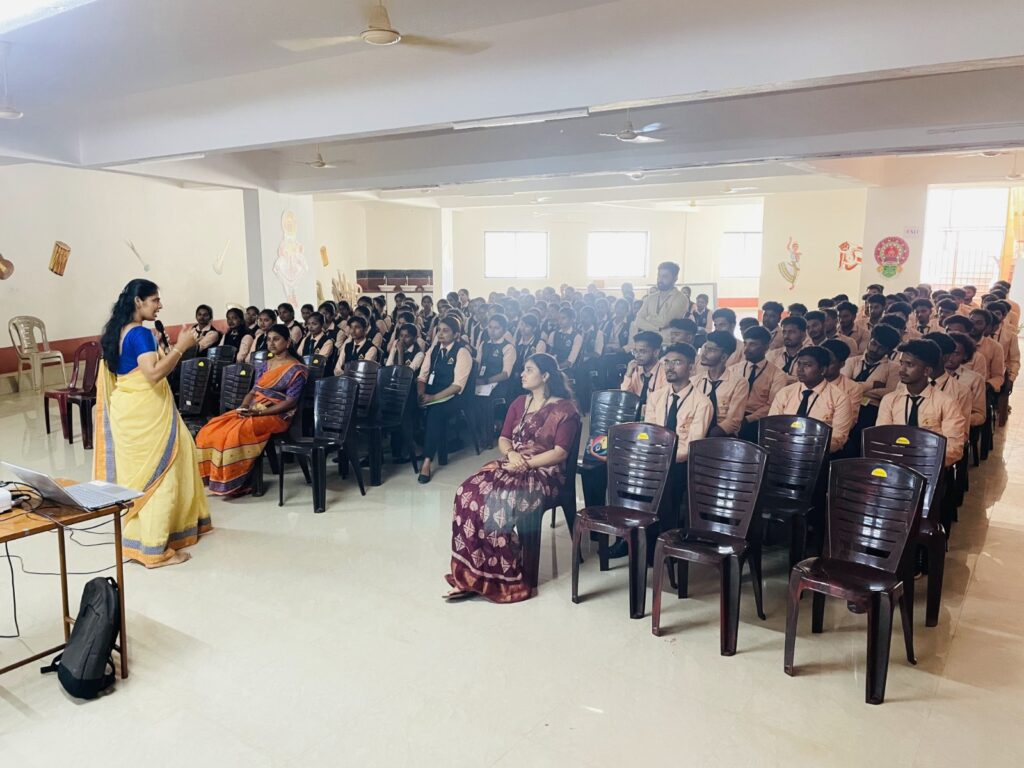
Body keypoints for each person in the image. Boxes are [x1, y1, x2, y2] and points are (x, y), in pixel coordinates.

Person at [444, 353, 580, 603]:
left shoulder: (564, 409)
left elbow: (560, 453)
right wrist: (512, 454)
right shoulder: (519, 402)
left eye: (529, 370)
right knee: (467, 493)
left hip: (545, 474)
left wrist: (525, 463)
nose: (522, 374)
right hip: (512, 463)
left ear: (545, 375)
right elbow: (504, 438)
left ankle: (503, 576)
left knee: (499, 502)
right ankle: (472, 575)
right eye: (523, 369)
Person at [94, 279, 210, 568]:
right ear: (139, 301)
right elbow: (154, 374)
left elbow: (131, 369)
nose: (160, 305)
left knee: (142, 475)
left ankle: (140, 538)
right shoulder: (140, 334)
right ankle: (155, 550)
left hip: (127, 409)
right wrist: (181, 347)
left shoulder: (118, 331)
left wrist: (162, 347)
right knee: (161, 475)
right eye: (155, 300)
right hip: (147, 412)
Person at [195, 326, 308, 496]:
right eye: (268, 339)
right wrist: (244, 407)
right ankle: (215, 478)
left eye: (276, 339)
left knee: (236, 432)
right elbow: (253, 392)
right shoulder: (265, 365)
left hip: (277, 416)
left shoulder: (297, 369)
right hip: (254, 409)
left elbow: (290, 402)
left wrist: (259, 413)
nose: (271, 343)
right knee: (212, 428)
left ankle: (239, 481)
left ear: (288, 342)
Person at [645, 343, 714, 531]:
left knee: (667, 484)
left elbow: (691, 445)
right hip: (656, 458)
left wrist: (664, 461)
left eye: (677, 362)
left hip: (681, 463)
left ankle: (664, 537)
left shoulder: (702, 403)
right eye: (667, 362)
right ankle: (633, 535)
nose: (669, 367)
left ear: (691, 367)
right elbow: (650, 432)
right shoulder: (656, 396)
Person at [877, 339, 964, 467]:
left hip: (930, 466)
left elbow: (953, 448)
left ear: (927, 371)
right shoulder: (890, 400)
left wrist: (922, 461)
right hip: (895, 465)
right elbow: (881, 438)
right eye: (901, 363)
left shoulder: (946, 403)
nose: (902, 370)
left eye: (909, 365)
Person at [417, 315, 474, 484]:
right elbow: (422, 376)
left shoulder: (462, 352)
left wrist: (432, 398)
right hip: (432, 393)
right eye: (439, 330)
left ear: (456, 334)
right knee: (409, 406)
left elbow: (457, 386)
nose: (440, 334)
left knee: (435, 411)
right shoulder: (433, 350)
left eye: (446, 331)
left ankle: (427, 460)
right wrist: (421, 395)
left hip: (454, 396)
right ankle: (417, 447)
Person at [769, 346, 854, 455]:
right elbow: (772, 426)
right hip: (782, 450)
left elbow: (838, 438)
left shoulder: (840, 398)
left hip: (817, 454)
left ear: (823, 370)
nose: (800, 369)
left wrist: (807, 447)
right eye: (799, 364)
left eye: (807, 365)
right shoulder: (785, 392)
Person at [841, 323, 901, 433]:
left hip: (872, 410)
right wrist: (873, 385)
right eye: (873, 344)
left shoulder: (894, 368)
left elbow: (889, 393)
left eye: (881, 348)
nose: (874, 349)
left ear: (888, 351)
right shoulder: (852, 361)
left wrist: (855, 387)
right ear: (870, 340)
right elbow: (843, 387)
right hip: (847, 405)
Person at [732, 326, 788, 442]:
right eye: (745, 344)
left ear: (766, 347)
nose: (746, 349)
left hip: (756, 419)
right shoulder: (733, 370)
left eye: (752, 344)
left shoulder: (778, 375)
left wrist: (748, 419)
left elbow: (772, 405)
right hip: (733, 414)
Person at [474, 314, 517, 446]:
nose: (492, 331)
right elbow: (478, 364)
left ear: (504, 330)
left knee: (486, 400)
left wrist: (486, 381)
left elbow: (506, 374)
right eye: (490, 327)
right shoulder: (484, 344)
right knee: (470, 396)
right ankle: (478, 432)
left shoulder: (508, 347)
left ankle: (487, 437)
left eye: (496, 328)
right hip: (482, 381)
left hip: (500, 384)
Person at [695, 330, 746, 437]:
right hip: (697, 430)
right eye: (705, 348)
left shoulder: (739, 383)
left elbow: (733, 421)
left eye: (711, 350)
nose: (704, 353)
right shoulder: (695, 381)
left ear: (724, 357)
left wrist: (707, 437)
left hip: (722, 435)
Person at [633, 262, 690, 334]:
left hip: (667, 339)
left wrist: (648, 319)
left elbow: (665, 323)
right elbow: (638, 321)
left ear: (675, 278)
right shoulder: (651, 297)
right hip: (648, 339)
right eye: (659, 276)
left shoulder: (681, 299)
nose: (660, 280)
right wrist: (658, 329)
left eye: (665, 276)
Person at [620, 330, 666, 414]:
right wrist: (628, 375)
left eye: (642, 351)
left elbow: (664, 404)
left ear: (656, 352)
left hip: (656, 416)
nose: (637, 355)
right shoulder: (635, 369)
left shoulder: (665, 372)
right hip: (634, 415)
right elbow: (625, 398)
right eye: (635, 351)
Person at [766, 315, 807, 380]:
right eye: (784, 332)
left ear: (803, 335)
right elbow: (766, 378)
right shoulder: (773, 355)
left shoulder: (810, 357)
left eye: (791, 332)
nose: (786, 336)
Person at [549, 307, 583, 371]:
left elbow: (570, 361)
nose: (560, 321)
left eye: (563, 318)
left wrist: (554, 368)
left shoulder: (577, 337)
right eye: (559, 318)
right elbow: (549, 352)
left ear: (571, 320)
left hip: (567, 371)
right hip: (551, 368)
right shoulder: (553, 334)